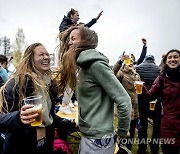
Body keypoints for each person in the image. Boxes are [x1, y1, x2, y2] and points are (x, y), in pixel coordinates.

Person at [55, 26, 132, 154]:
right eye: (69, 39)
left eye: (73, 38)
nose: (69, 42)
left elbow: (124, 100)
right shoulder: (82, 66)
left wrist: (123, 132)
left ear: (85, 41)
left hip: (98, 140)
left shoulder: (95, 65)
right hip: (88, 135)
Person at [0, 43, 77, 154]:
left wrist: (72, 125)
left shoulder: (48, 83)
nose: (46, 57)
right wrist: (18, 117)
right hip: (22, 146)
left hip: (45, 144)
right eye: (41, 54)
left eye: (47, 54)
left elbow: (49, 117)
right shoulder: (18, 83)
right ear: (30, 59)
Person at [137, 49, 180, 154]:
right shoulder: (161, 78)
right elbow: (150, 96)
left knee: (145, 126)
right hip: (169, 124)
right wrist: (141, 88)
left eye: (176, 57)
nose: (172, 59)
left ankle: (144, 149)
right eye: (170, 57)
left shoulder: (139, 67)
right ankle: (153, 149)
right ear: (165, 61)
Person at [136, 55, 161, 154]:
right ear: (153, 61)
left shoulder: (138, 68)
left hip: (142, 102)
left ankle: (142, 148)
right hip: (155, 101)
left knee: (142, 126)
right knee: (157, 126)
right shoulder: (158, 69)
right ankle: (154, 149)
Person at [115, 58, 141, 151]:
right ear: (124, 64)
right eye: (128, 61)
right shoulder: (121, 74)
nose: (131, 63)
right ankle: (121, 149)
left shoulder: (137, 75)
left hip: (135, 108)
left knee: (132, 132)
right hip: (125, 108)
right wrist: (119, 61)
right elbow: (113, 74)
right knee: (124, 132)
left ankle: (128, 150)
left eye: (132, 61)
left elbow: (139, 91)